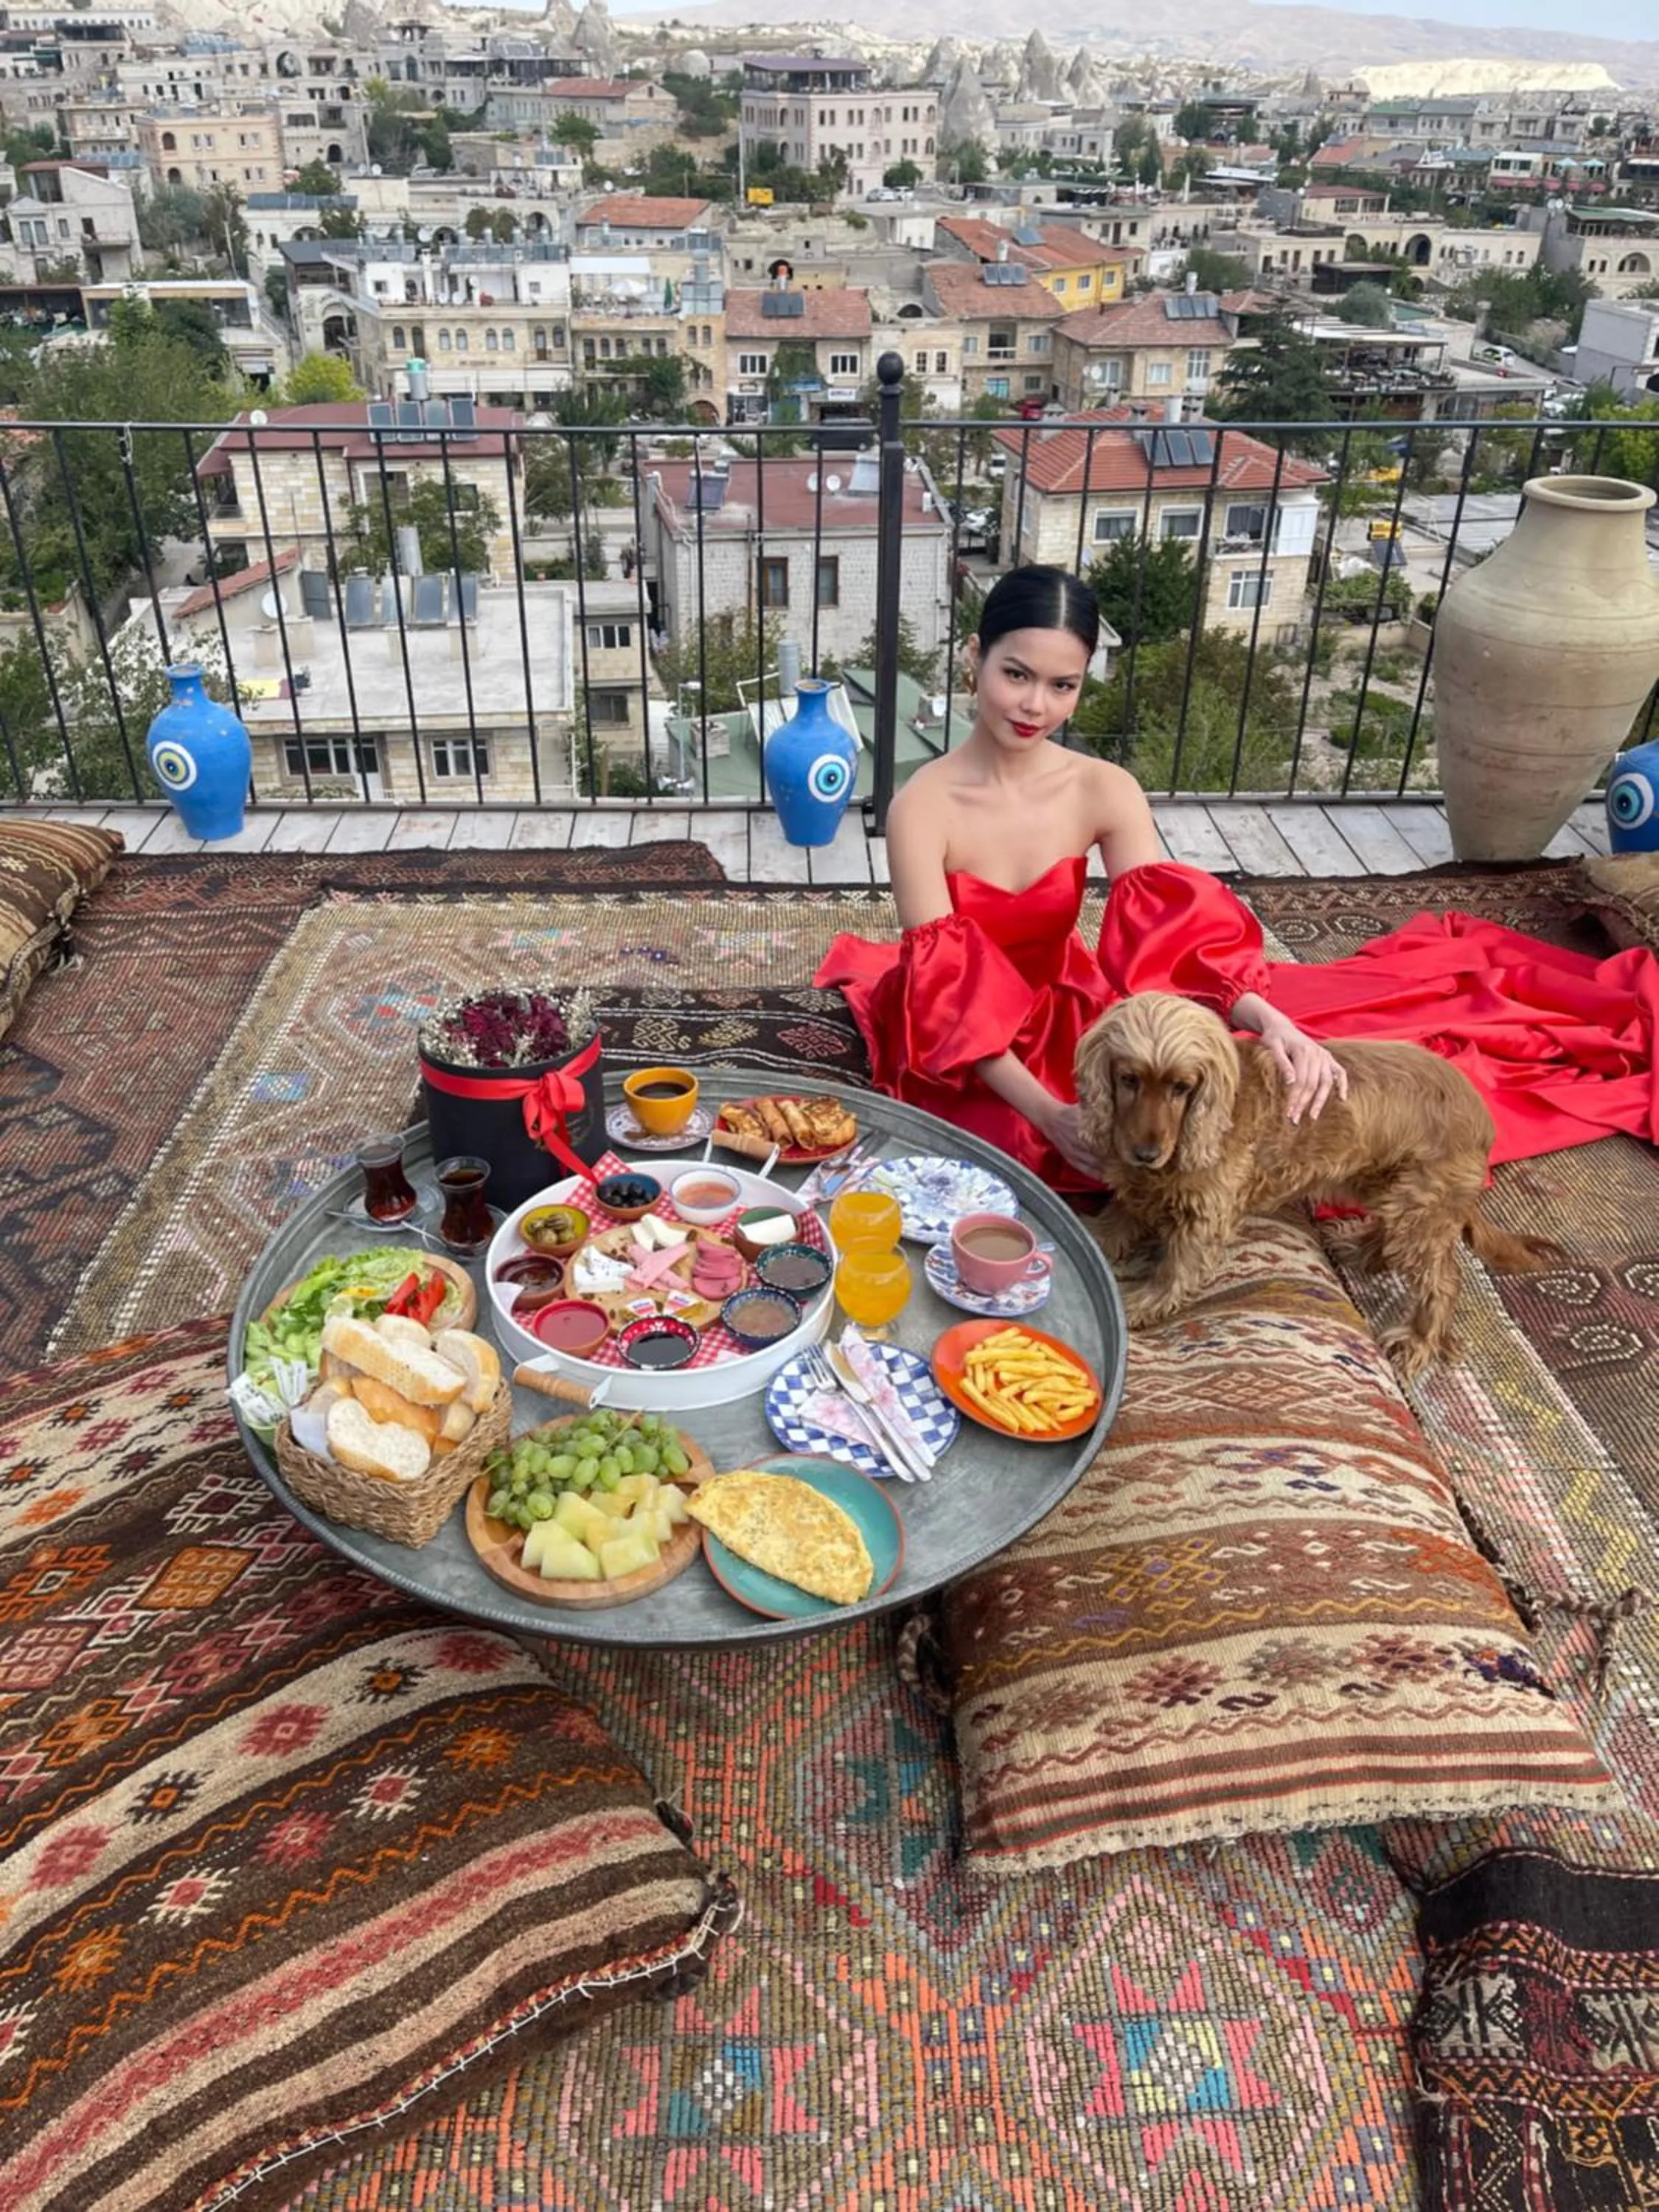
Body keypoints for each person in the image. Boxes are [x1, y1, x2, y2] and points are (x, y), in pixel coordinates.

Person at [817, 564, 1659, 1192]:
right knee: (1009, 1161)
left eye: (1062, 685)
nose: (1035, 705)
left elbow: (1167, 944)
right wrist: (1046, 1111)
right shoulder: (921, 808)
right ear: (975, 658)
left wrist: (1268, 1017)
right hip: (966, 1038)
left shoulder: (1102, 789)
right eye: (1017, 674)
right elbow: (948, 992)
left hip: (1071, 1011)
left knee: (1250, 1113)